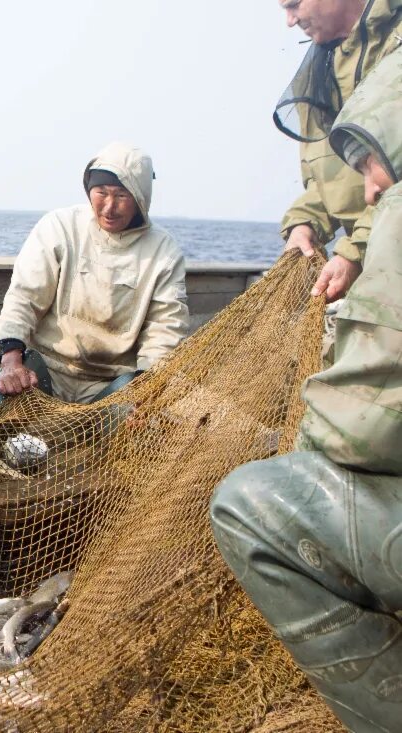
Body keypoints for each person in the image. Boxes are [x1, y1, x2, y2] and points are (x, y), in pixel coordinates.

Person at [211, 48, 402, 733]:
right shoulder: (328, 69)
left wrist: (305, 450)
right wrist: (311, 222)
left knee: (247, 502)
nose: (369, 196)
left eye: (370, 167)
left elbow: (364, 424)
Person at [0, 142, 189, 414]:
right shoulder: (59, 226)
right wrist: (11, 360)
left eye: (121, 195)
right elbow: (25, 297)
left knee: (143, 426)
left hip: (111, 385)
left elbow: (165, 330)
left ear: (141, 198)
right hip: (45, 370)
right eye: (101, 192)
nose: (108, 206)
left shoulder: (163, 252)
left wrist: (146, 393)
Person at [274, 0, 402, 302]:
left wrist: (352, 254)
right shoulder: (324, 65)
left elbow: (394, 179)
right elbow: (330, 174)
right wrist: (305, 222)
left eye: (294, 5)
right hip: (371, 271)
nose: (290, 21)